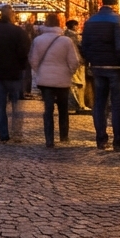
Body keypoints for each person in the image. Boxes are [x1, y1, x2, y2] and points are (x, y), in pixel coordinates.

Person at [80, 0, 120, 151]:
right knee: (119, 105)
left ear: (101, 2)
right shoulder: (117, 20)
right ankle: (119, 141)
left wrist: (92, 60)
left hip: (97, 67)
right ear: (115, 3)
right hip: (116, 68)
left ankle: (101, 139)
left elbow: (84, 45)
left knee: (99, 103)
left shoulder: (90, 21)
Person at [29, 14, 81, 148]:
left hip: (45, 80)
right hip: (63, 79)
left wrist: (40, 71)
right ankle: (64, 135)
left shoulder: (38, 40)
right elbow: (74, 61)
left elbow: (33, 60)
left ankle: (49, 139)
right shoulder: (66, 41)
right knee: (63, 108)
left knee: (48, 109)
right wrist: (69, 72)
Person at [0, 5, 30, 142]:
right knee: (16, 104)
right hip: (14, 72)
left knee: (0, 105)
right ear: (11, 15)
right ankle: (16, 132)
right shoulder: (18, 32)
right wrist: (21, 65)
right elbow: (24, 51)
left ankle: (3, 133)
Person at [64, 19, 87, 114]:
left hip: (68, 62)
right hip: (78, 62)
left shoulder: (63, 36)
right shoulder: (76, 37)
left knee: (72, 84)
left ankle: (73, 105)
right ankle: (79, 105)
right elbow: (83, 47)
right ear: (74, 26)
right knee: (79, 84)